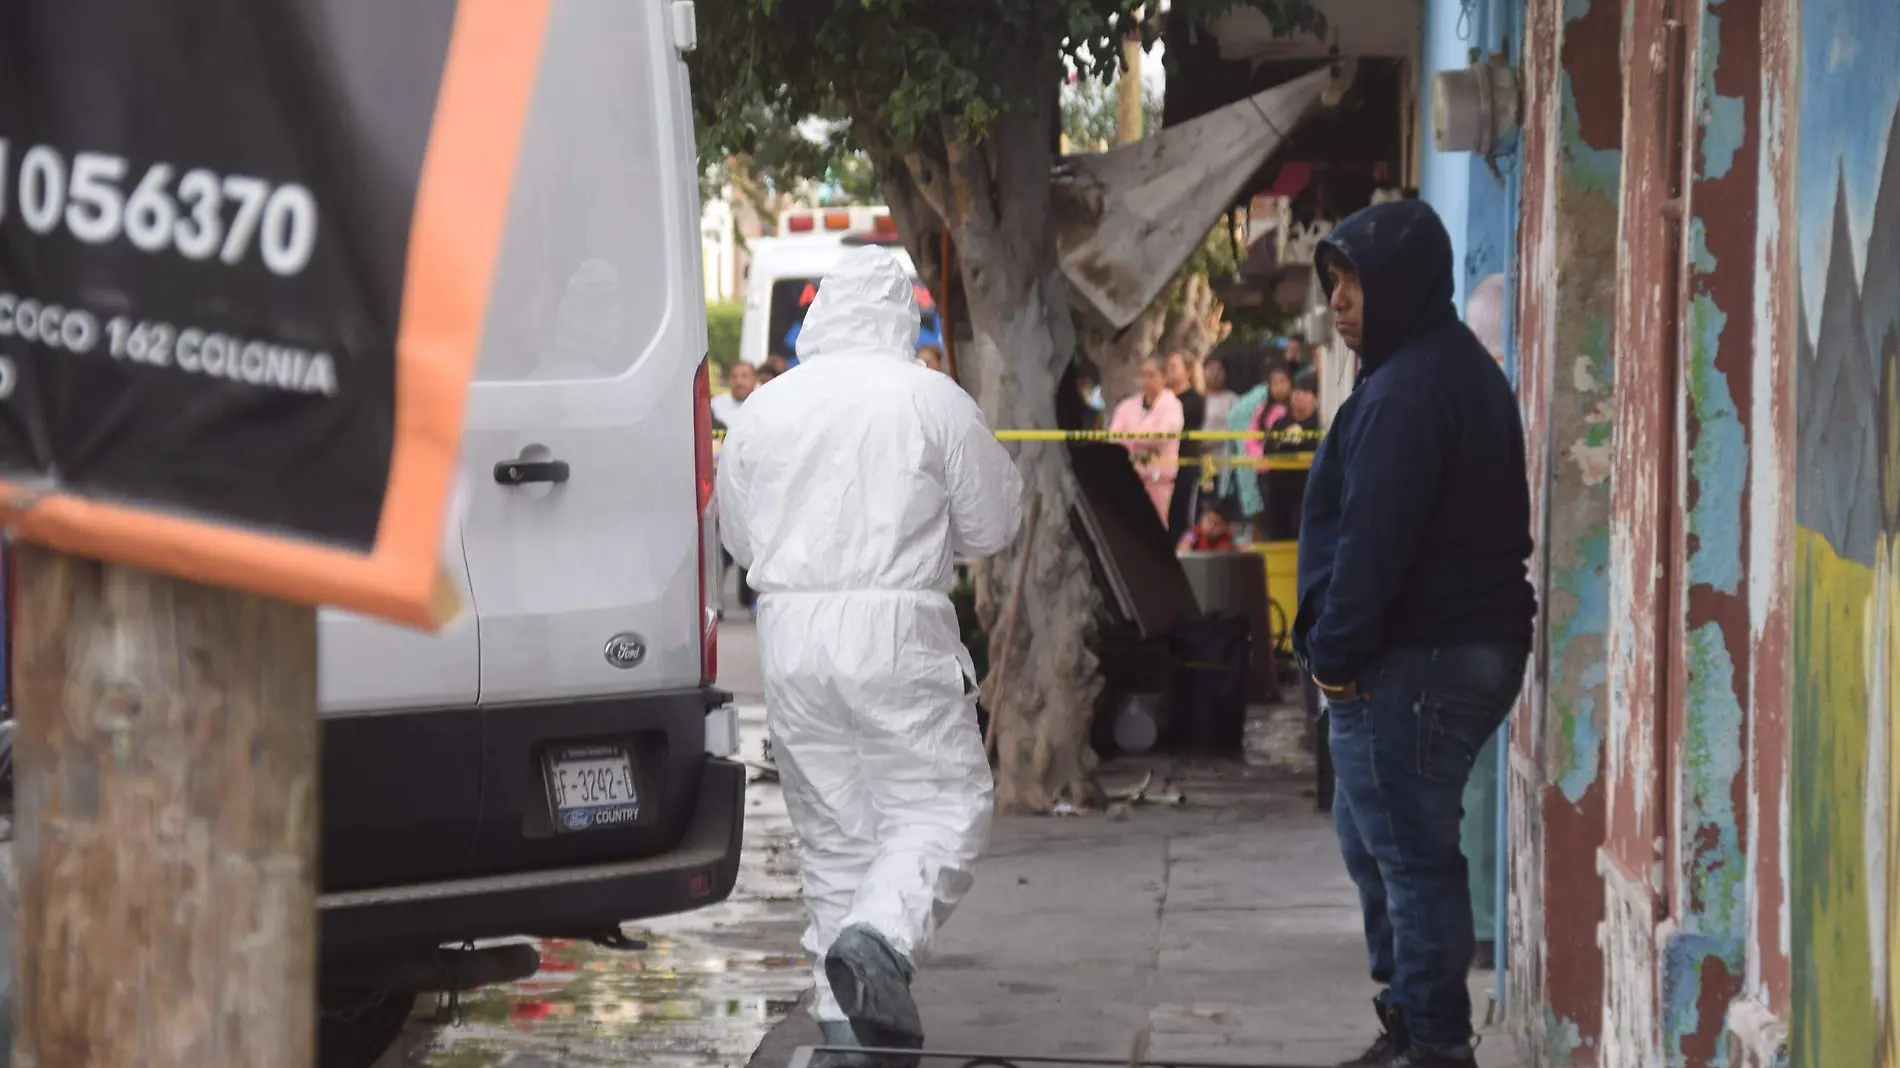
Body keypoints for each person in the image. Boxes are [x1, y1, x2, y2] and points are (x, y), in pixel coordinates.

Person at [716, 247, 1022, 1057]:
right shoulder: (926, 397)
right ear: (902, 312)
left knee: (836, 835)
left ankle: (848, 1024)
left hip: (789, 635)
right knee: (941, 805)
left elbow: (740, 539)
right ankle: (882, 939)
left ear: (818, 315)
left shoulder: (765, 409)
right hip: (895, 627)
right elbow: (994, 524)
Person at [1295, 199, 1534, 1068]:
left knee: (1411, 857)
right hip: (1435, 652)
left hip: (1417, 660)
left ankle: (1435, 1044)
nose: (1341, 301)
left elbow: (1373, 545)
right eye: (1335, 282)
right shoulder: (1428, 370)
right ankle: (1411, 1023)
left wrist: (1332, 661)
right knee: (1380, 844)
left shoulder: (1410, 389)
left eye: (1355, 280)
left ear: (1403, 282)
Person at [1108, 355, 1184, 525]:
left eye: (1152, 375)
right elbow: (1115, 436)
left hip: (1158, 477)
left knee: (1156, 523)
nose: (1146, 380)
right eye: (1143, 375)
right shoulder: (1126, 407)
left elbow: (1163, 434)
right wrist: (1137, 438)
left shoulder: (1173, 406)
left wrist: (1133, 436)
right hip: (1129, 475)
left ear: (1164, 377)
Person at [1257, 369, 1321, 542]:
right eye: (1296, 391)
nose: (1299, 396)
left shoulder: (1318, 423)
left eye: (1305, 392)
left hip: (1305, 487)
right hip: (1278, 486)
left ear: (1314, 397)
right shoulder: (1280, 423)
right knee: (1278, 531)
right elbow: (1268, 449)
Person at [1164, 350, 1206, 541]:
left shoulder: (1193, 400)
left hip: (1184, 465)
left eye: (1173, 367)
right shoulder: (1163, 399)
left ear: (1188, 372)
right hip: (1163, 467)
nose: (1168, 371)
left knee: (1182, 517)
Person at [712, 359, 758, 431]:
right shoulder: (715, 404)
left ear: (755, 380)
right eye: (734, 376)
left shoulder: (764, 405)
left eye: (744, 376)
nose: (739, 381)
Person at [1201, 354, 1239, 433]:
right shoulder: (1195, 398)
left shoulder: (1232, 399)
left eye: (1219, 370)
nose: (1215, 374)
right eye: (1211, 370)